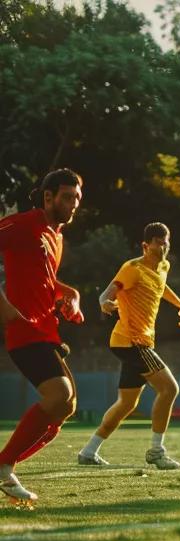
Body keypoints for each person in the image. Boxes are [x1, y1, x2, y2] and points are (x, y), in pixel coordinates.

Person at [0, 169, 84, 505]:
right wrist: (3, 304)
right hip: (24, 330)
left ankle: (5, 464)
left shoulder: (56, 237)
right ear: (48, 197)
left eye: (77, 198)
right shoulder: (23, 225)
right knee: (59, 395)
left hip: (47, 329)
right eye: (67, 197)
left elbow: (48, 283)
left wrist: (71, 296)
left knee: (66, 407)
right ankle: (4, 465)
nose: (73, 204)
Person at [82, 223, 180, 468]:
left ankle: (89, 451)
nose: (163, 247)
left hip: (136, 341)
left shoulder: (163, 266)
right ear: (145, 245)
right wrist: (104, 302)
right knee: (169, 389)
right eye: (158, 242)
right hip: (131, 341)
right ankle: (156, 451)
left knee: (127, 403)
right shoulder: (132, 268)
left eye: (166, 242)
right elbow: (107, 293)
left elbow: (161, 286)